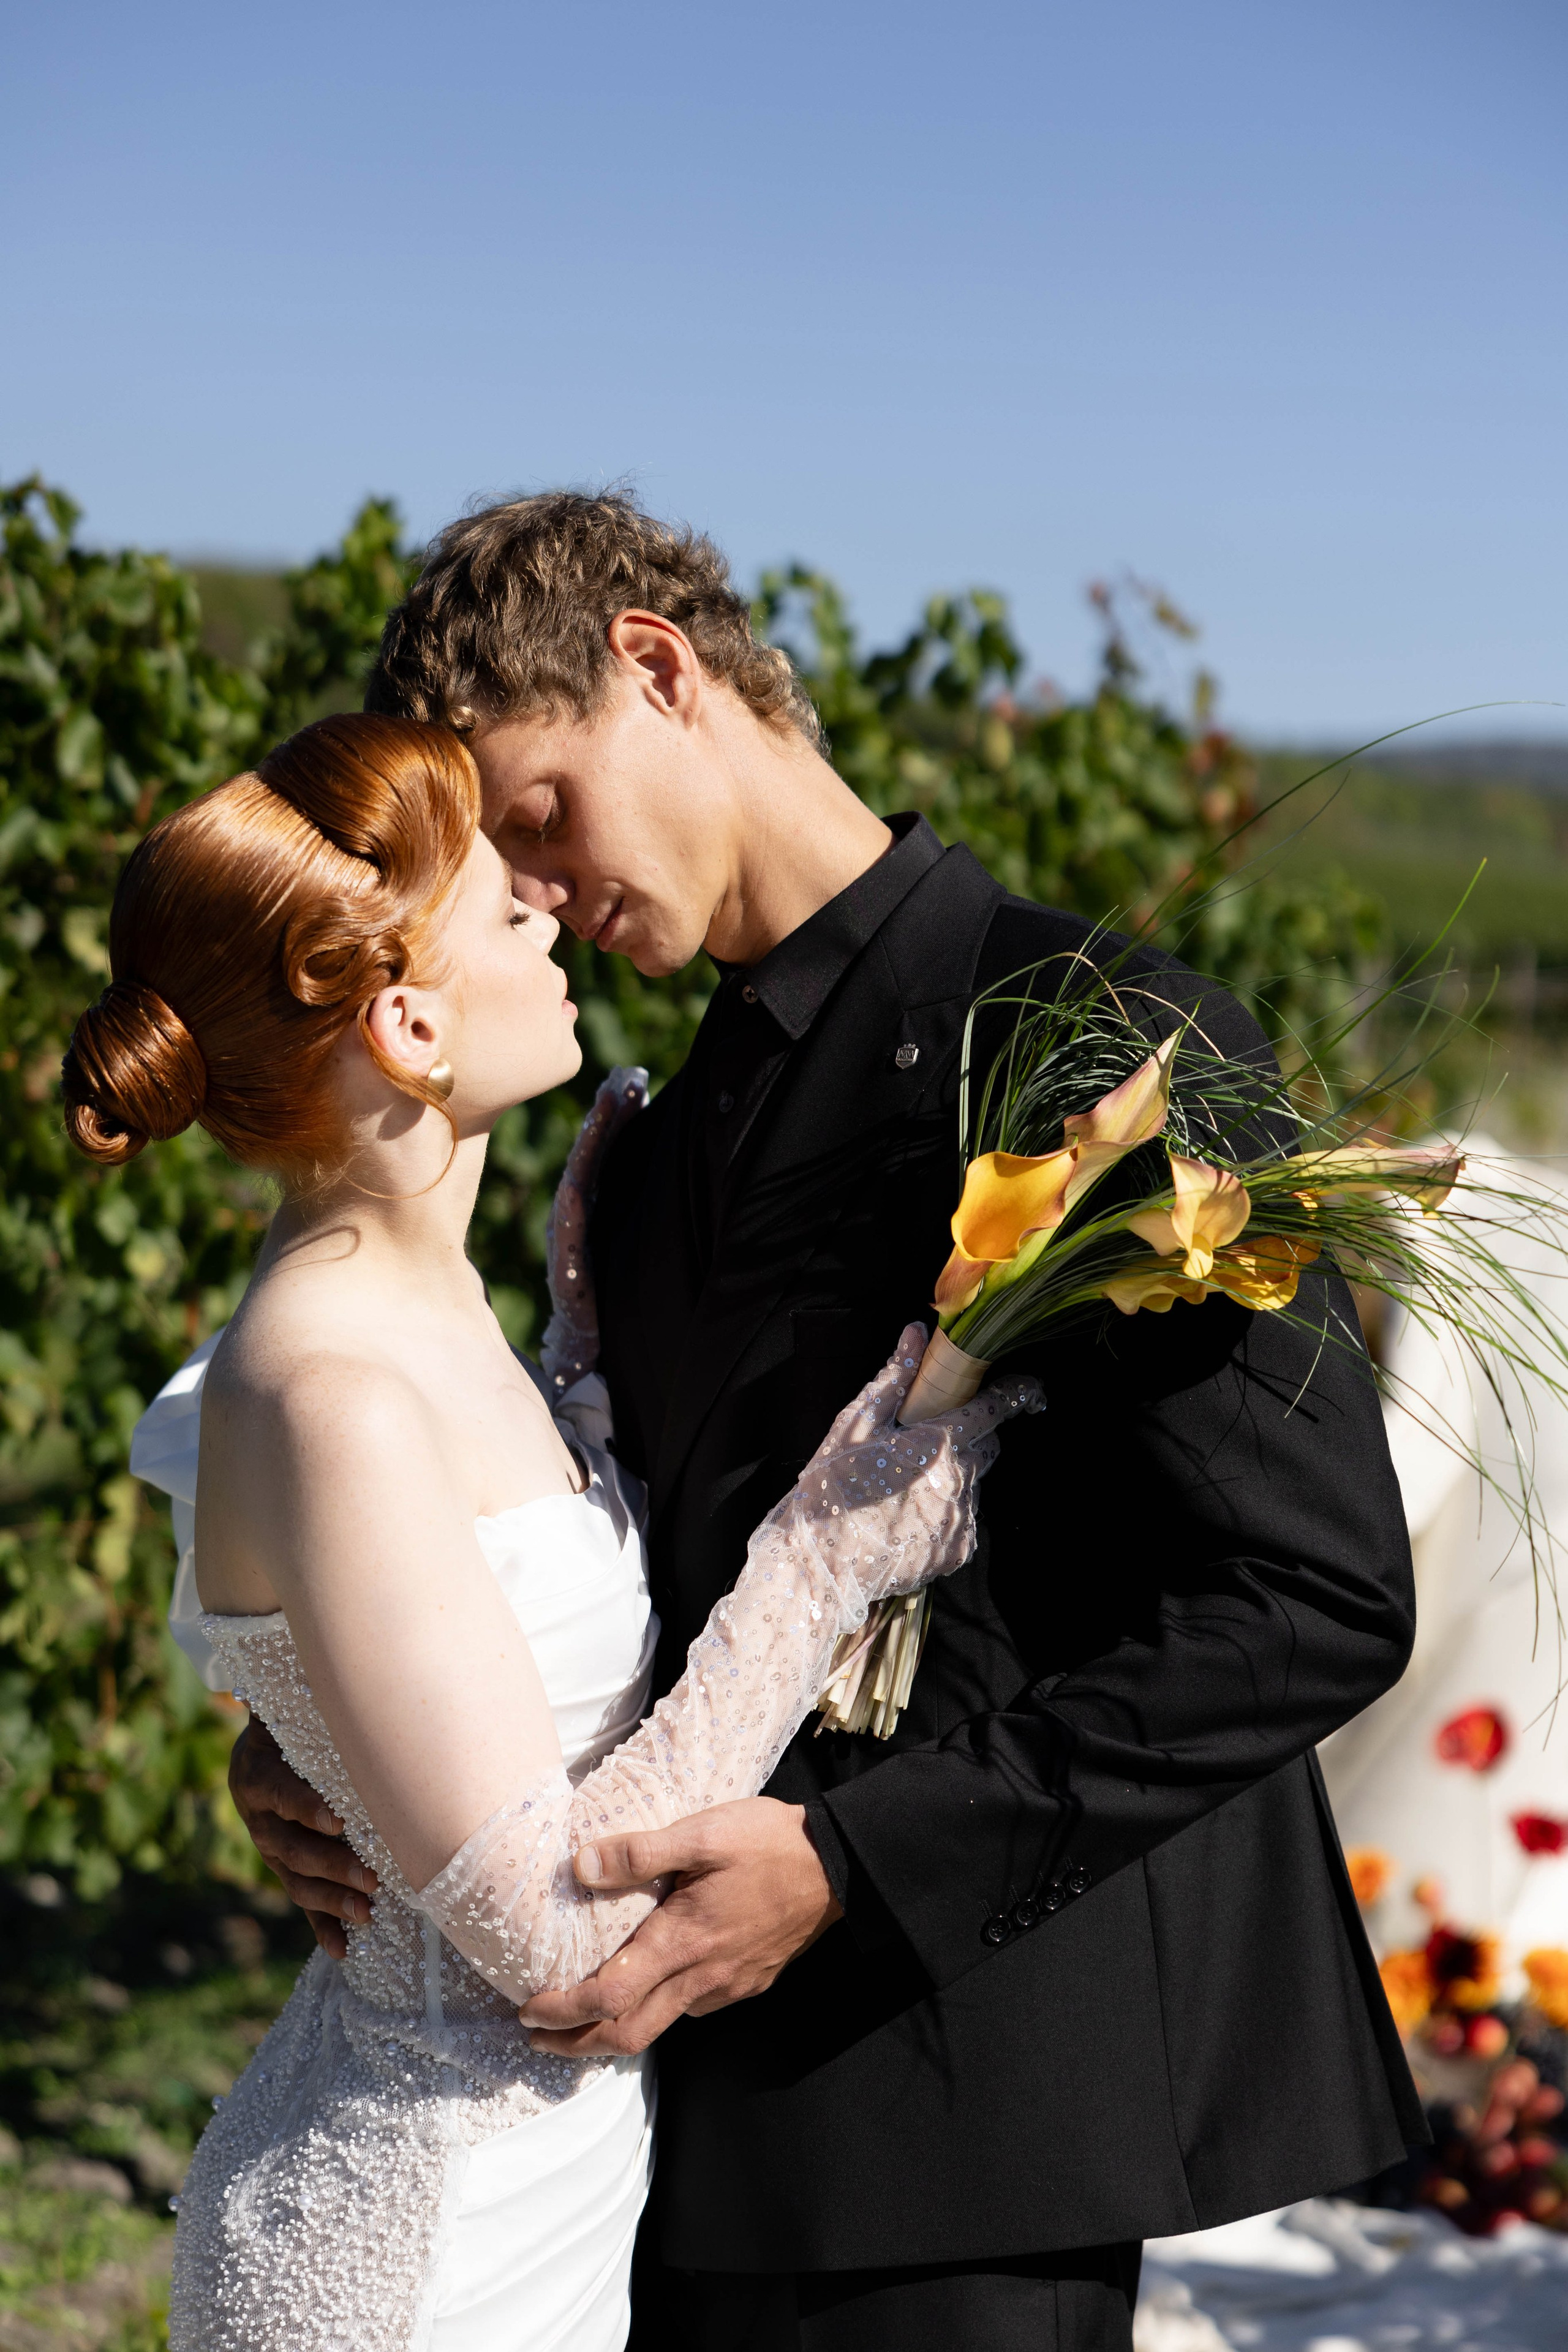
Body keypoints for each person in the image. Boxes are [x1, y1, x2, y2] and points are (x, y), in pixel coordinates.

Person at [226, 494, 1427, 2352]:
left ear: (654, 666)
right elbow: (585, 1592)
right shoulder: (639, 1152)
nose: (532, 890)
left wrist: (858, 1872)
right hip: (646, 2142)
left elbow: (1314, 1590)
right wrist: (340, 1756)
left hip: (967, 2130)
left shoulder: (1096, 1045)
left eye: (537, 809)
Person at [71, 712, 1031, 2350]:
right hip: (428, 2256)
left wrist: (583, 1348)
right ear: (414, 1021)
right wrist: (832, 1550)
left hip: (539, 2210)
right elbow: (561, 1938)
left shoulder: (436, 1307)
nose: (549, 909)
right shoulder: (332, 1394)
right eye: (506, 910)